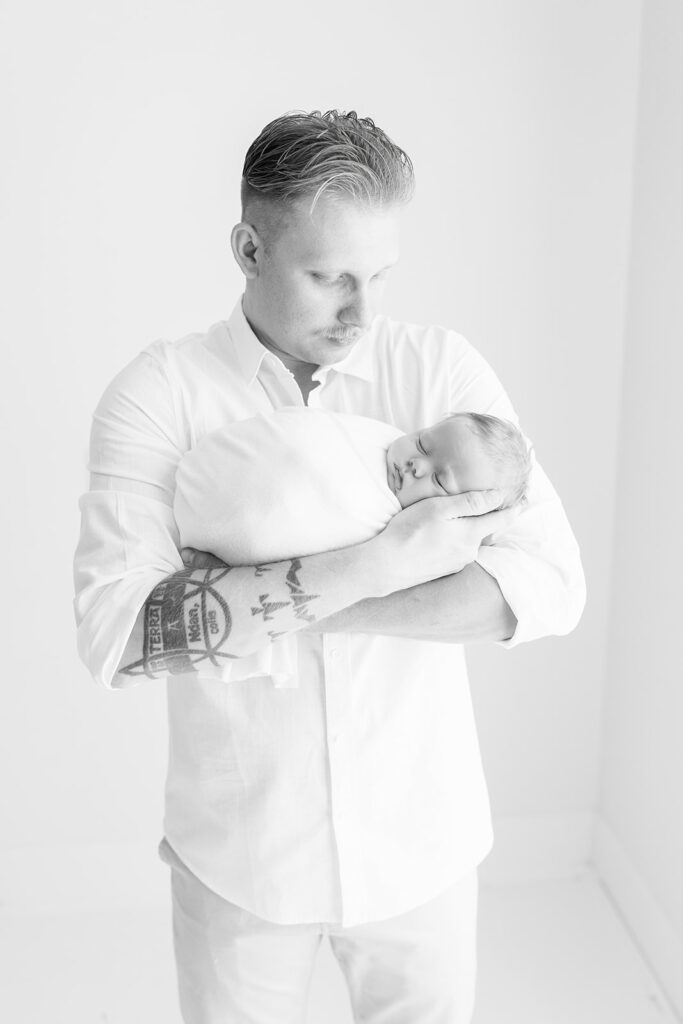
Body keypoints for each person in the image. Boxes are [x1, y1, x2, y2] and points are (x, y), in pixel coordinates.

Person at [73, 109, 586, 1024]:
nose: (362, 313)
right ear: (247, 247)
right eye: (328, 277)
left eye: (380, 275)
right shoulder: (159, 396)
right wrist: (385, 562)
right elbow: (117, 633)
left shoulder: (438, 374)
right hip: (240, 861)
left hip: (421, 847)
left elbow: (545, 582)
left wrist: (261, 596)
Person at [173, 406, 531, 569]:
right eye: (423, 443)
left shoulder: (404, 538)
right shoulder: (374, 437)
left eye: (439, 480)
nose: (416, 464)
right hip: (218, 470)